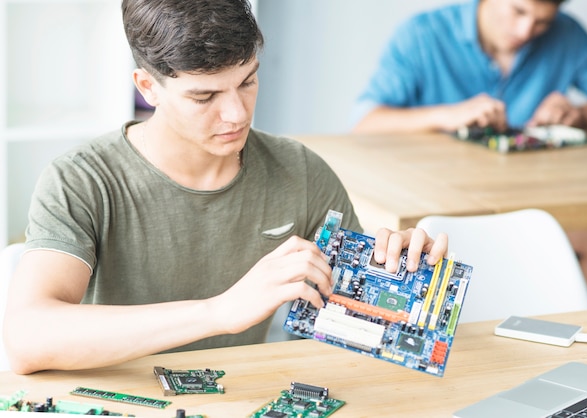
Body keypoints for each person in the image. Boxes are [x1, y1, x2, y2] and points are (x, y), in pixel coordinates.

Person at [2, 0, 447, 375]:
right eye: (204, 96)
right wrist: (219, 311)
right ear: (147, 87)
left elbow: (361, 319)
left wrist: (404, 275)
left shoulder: (301, 171)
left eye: (248, 81)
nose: (236, 114)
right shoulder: (82, 180)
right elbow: (26, 338)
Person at [351, 0, 587, 307]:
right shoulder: (423, 34)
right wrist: (448, 115)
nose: (526, 31)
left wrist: (583, 113)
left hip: (534, 200)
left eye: (542, 22)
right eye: (518, 11)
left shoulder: (567, 34)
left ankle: (579, 346)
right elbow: (366, 123)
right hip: (436, 201)